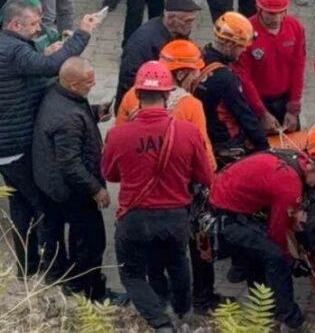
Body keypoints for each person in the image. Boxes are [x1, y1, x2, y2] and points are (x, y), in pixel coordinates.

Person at [101, 61, 214, 332]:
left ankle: (161, 323)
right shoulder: (187, 132)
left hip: (135, 217)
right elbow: (205, 175)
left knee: (132, 273)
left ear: (138, 94)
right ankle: (183, 313)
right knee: (178, 262)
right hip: (175, 216)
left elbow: (110, 174)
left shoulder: (118, 134)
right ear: (167, 94)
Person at [0, 0, 97, 278]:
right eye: (33, 24)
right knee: (44, 209)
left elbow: (37, 66)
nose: (38, 28)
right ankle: (55, 271)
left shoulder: (11, 45)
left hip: (8, 147)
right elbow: (51, 67)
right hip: (16, 147)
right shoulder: (13, 50)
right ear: (14, 24)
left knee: (21, 206)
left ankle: (27, 267)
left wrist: (47, 53)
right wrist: (82, 34)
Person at [32, 57, 117, 300]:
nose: (93, 85)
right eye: (88, 82)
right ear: (72, 84)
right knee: (91, 241)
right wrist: (96, 189)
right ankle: (92, 291)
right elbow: (70, 164)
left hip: (50, 183)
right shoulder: (68, 118)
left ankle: (66, 277)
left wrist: (93, 113)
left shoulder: (59, 95)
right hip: (71, 190)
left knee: (61, 233)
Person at [210, 147, 315, 329]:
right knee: (276, 258)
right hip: (229, 215)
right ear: (311, 168)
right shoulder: (290, 184)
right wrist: (291, 259)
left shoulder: (293, 158)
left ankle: (262, 310)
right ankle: (289, 318)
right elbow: (277, 232)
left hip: (227, 198)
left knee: (255, 257)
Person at [115, 39, 215, 167]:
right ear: (181, 74)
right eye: (194, 72)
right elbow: (204, 155)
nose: (196, 76)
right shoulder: (191, 105)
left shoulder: (132, 94)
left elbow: (118, 139)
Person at [192, 12, 269, 166]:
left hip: (204, 133)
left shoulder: (199, 58)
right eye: (242, 47)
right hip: (225, 143)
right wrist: (265, 148)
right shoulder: (226, 78)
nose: (244, 51)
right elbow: (244, 115)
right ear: (229, 45)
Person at [236, 0, 306, 133]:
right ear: (258, 8)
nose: (277, 18)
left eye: (282, 12)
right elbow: (244, 77)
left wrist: (293, 108)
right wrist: (262, 113)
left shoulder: (296, 28)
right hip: (256, 103)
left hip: (285, 101)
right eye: (271, 13)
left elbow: (298, 68)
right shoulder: (245, 32)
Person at [114, 0, 202, 110]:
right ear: (171, 19)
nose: (191, 25)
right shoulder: (142, 42)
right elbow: (129, 78)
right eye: (188, 21)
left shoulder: (174, 31)